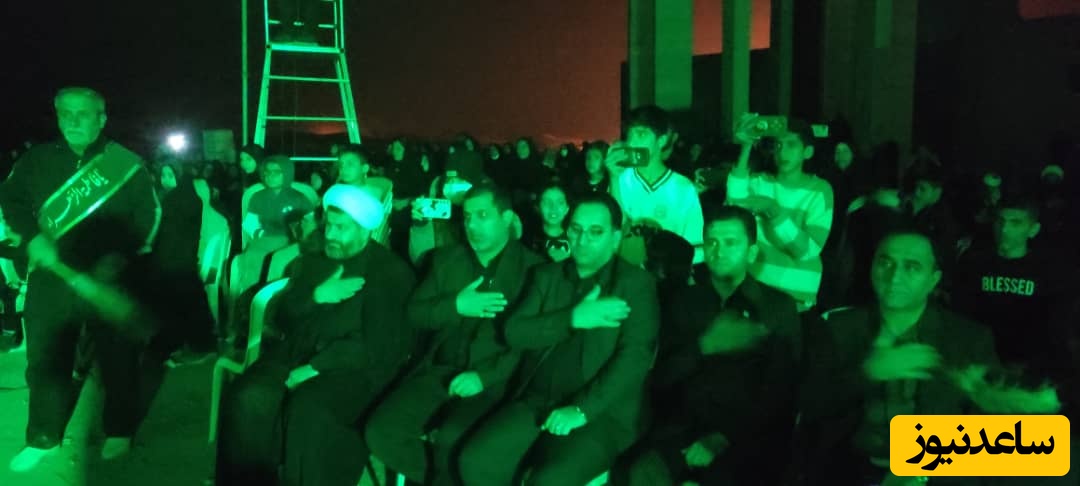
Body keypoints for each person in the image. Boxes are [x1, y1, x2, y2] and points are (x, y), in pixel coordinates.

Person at [798, 229, 1061, 486]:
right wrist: (868, 372)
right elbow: (808, 407)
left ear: (933, 279)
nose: (894, 276)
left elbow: (993, 437)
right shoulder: (837, 327)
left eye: (912, 267)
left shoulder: (967, 338)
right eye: (885, 263)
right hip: (850, 471)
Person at [0, 87, 162, 471]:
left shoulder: (125, 164)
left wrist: (119, 260)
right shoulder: (36, 160)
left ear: (101, 119)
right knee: (45, 359)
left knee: (117, 358)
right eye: (65, 114)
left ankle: (119, 429)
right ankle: (44, 435)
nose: (73, 121)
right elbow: (12, 199)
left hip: (109, 278)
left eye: (83, 114)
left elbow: (149, 217)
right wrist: (32, 236)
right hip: (51, 278)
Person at [215, 184, 415, 486]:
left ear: (364, 231)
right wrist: (316, 296)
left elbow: (379, 346)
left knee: (308, 409)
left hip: (354, 367)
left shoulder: (390, 273)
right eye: (329, 225)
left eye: (341, 228)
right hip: (297, 351)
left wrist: (315, 367)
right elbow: (283, 318)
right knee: (248, 395)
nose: (331, 234)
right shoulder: (313, 260)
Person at [457, 192, 659, 486]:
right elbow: (514, 332)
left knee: (549, 481)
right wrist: (572, 319)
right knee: (475, 461)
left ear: (615, 238)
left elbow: (635, 358)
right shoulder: (546, 276)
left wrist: (581, 410)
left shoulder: (635, 284)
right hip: (536, 401)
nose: (583, 239)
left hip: (599, 412)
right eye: (576, 229)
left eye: (595, 232)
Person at [365, 185, 543, 486]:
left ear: (507, 218)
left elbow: (533, 344)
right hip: (441, 372)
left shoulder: (535, 270)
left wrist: (484, 377)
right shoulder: (446, 259)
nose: (472, 225)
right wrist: (456, 305)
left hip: (496, 381)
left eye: (483, 215)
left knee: (452, 440)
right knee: (380, 432)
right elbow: (414, 313)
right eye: (468, 217)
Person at [615, 205, 801, 486]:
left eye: (730, 242)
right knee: (641, 472)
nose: (719, 251)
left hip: (747, 438)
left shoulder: (776, 307)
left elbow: (781, 391)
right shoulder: (683, 302)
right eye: (712, 242)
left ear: (751, 252)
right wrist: (704, 346)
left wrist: (724, 436)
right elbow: (661, 377)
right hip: (681, 430)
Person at [726, 114, 834, 311]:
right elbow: (735, 204)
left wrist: (773, 209)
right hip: (758, 287)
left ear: (807, 151)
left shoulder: (819, 190)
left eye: (791, 144)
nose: (783, 152)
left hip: (796, 295)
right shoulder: (761, 182)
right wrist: (746, 145)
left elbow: (806, 251)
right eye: (777, 145)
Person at [606, 105, 704, 263]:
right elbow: (614, 227)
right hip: (625, 271)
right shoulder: (620, 178)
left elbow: (695, 246)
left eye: (641, 134)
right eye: (629, 135)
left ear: (661, 140)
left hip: (667, 274)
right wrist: (613, 178)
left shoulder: (683, 188)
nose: (632, 142)